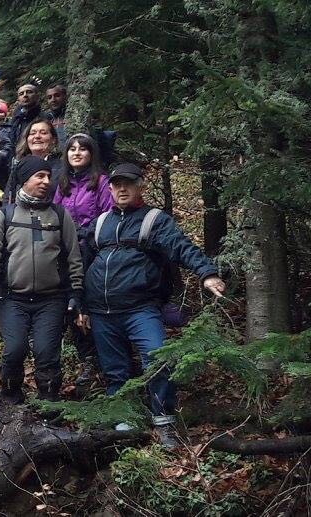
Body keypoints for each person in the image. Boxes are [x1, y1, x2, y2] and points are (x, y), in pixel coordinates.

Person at [82, 163, 225, 446]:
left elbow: (180, 245)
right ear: (109, 188)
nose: (122, 189)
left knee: (158, 359)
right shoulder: (99, 224)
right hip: (101, 311)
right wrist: (82, 306)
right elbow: (84, 265)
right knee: (115, 370)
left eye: (129, 183)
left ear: (140, 186)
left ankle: (164, 423)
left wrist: (206, 272)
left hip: (141, 308)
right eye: (117, 184)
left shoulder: (154, 220)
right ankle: (124, 423)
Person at [0, 157, 84, 403]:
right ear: (25, 179)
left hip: (51, 300)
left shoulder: (59, 214)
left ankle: (48, 403)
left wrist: (76, 293)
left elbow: (73, 258)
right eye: (40, 176)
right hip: (13, 298)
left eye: (49, 176)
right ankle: (10, 398)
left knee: (47, 353)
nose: (47, 181)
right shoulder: (4, 215)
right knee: (14, 350)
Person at [5, 118, 62, 202]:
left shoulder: (61, 168)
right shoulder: (19, 165)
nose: (37, 136)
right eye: (32, 133)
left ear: (53, 140)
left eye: (43, 133)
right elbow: (8, 197)